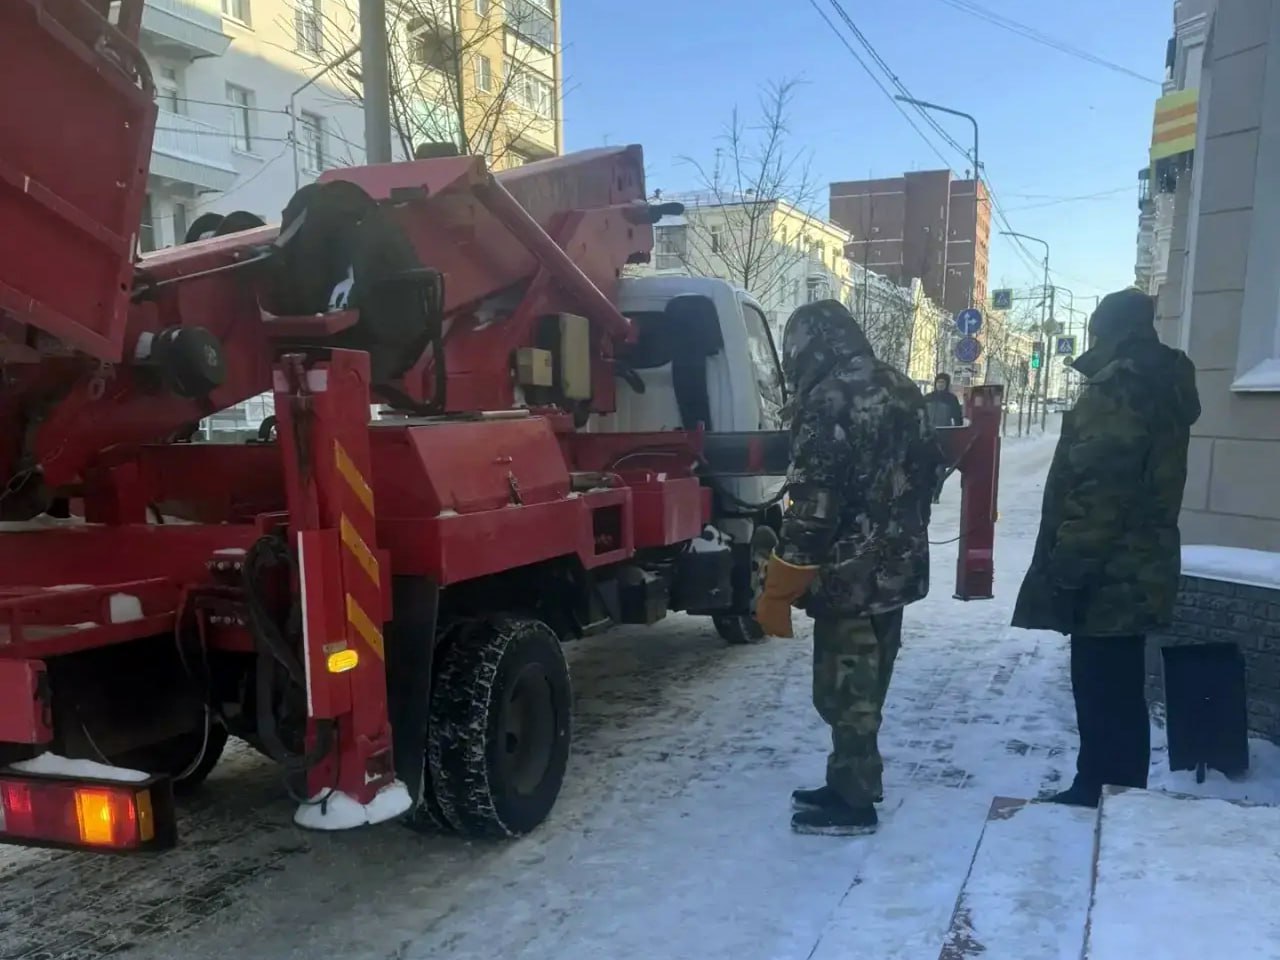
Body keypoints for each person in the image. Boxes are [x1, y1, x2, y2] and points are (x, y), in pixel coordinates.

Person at [754, 300, 945, 836]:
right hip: (897, 568)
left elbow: (814, 504)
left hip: (850, 575)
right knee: (870, 683)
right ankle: (848, 780)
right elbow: (930, 472)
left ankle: (855, 801)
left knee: (845, 692)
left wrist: (782, 584)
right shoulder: (903, 387)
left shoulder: (828, 398)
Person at [1011, 288, 1200, 808]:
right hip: (1139, 563)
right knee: (1120, 690)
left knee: (1099, 687)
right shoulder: (1162, 382)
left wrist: (1067, 569)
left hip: (1106, 570)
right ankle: (1117, 793)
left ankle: (1097, 791)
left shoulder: (1120, 385)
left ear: (1106, 330)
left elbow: (1099, 490)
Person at [922, 373, 963, 503]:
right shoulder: (927, 398)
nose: (940, 385)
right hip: (927, 436)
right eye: (938, 382)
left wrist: (956, 435)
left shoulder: (951, 400)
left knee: (940, 469)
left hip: (944, 437)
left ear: (947, 385)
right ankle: (927, 493)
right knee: (925, 468)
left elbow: (958, 420)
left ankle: (936, 494)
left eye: (943, 383)